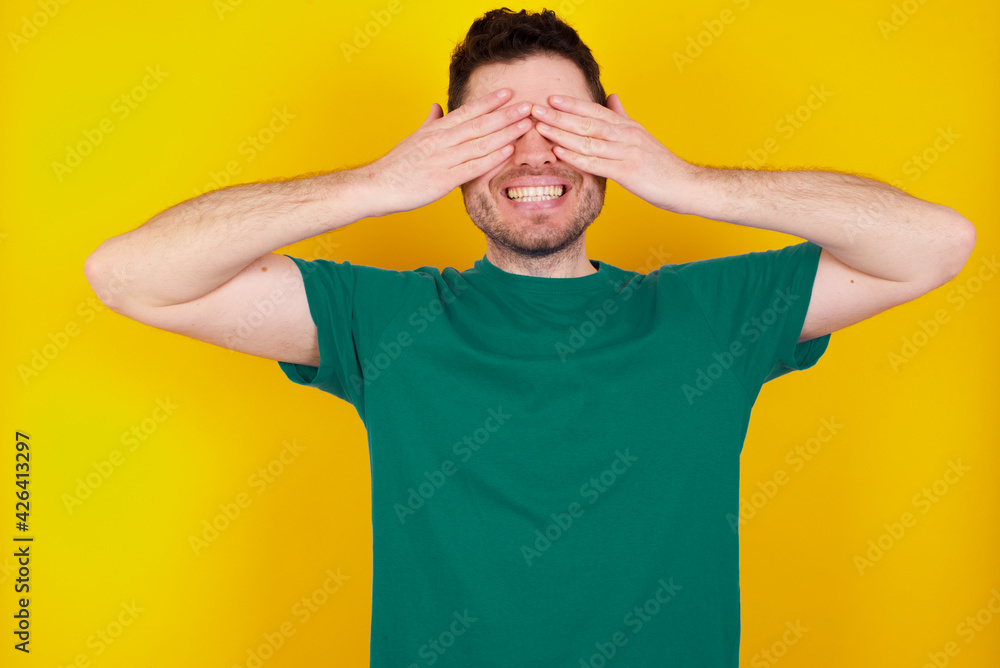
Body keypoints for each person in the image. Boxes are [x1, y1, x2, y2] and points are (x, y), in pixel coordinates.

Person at [84, 7, 975, 666]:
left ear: (612, 133)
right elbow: (127, 276)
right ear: (447, 149)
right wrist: (372, 186)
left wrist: (690, 182)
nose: (534, 155)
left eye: (562, 125)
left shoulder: (714, 314)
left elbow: (938, 244)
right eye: (496, 129)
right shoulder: (380, 323)